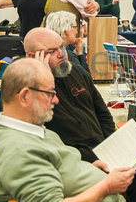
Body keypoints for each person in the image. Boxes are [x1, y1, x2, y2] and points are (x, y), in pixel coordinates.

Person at [0, 58, 136, 202]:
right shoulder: (19, 150)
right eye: (50, 93)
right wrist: (107, 186)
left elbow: (59, 173)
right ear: (25, 96)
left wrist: (91, 170)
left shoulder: (30, 131)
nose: (56, 100)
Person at [24, 27, 113, 162]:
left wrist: (113, 146)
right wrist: (42, 79)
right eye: (52, 51)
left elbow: (103, 114)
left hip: (105, 152)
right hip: (73, 163)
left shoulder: (76, 71)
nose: (62, 54)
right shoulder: (29, 90)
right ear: (32, 57)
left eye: (62, 47)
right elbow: (36, 135)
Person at [45, 11, 91, 75]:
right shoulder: (65, 53)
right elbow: (85, 78)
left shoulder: (50, 49)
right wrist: (81, 53)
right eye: (75, 27)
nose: (76, 32)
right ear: (67, 30)